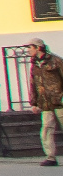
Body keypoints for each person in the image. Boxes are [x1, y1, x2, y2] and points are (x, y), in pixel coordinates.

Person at [26, 39, 63, 167]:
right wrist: (34, 103)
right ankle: (50, 157)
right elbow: (33, 83)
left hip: (59, 101)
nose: (28, 50)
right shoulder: (34, 64)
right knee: (46, 129)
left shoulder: (56, 61)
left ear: (38, 48)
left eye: (30, 47)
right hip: (45, 103)